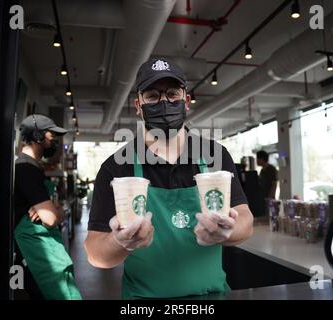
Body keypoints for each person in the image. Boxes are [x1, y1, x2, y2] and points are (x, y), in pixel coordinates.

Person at [84, 58, 253, 299]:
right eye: (152, 96)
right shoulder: (116, 168)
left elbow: (245, 220)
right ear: (138, 105)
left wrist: (228, 231)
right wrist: (120, 241)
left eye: (173, 93)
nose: (164, 102)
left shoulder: (214, 156)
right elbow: (95, 253)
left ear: (186, 101)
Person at [14, 114, 82, 300]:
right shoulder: (26, 169)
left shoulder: (34, 168)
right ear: (38, 137)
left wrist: (53, 209)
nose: (55, 143)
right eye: (52, 138)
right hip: (34, 250)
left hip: (43, 245)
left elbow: (54, 210)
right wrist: (53, 211)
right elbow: (51, 218)